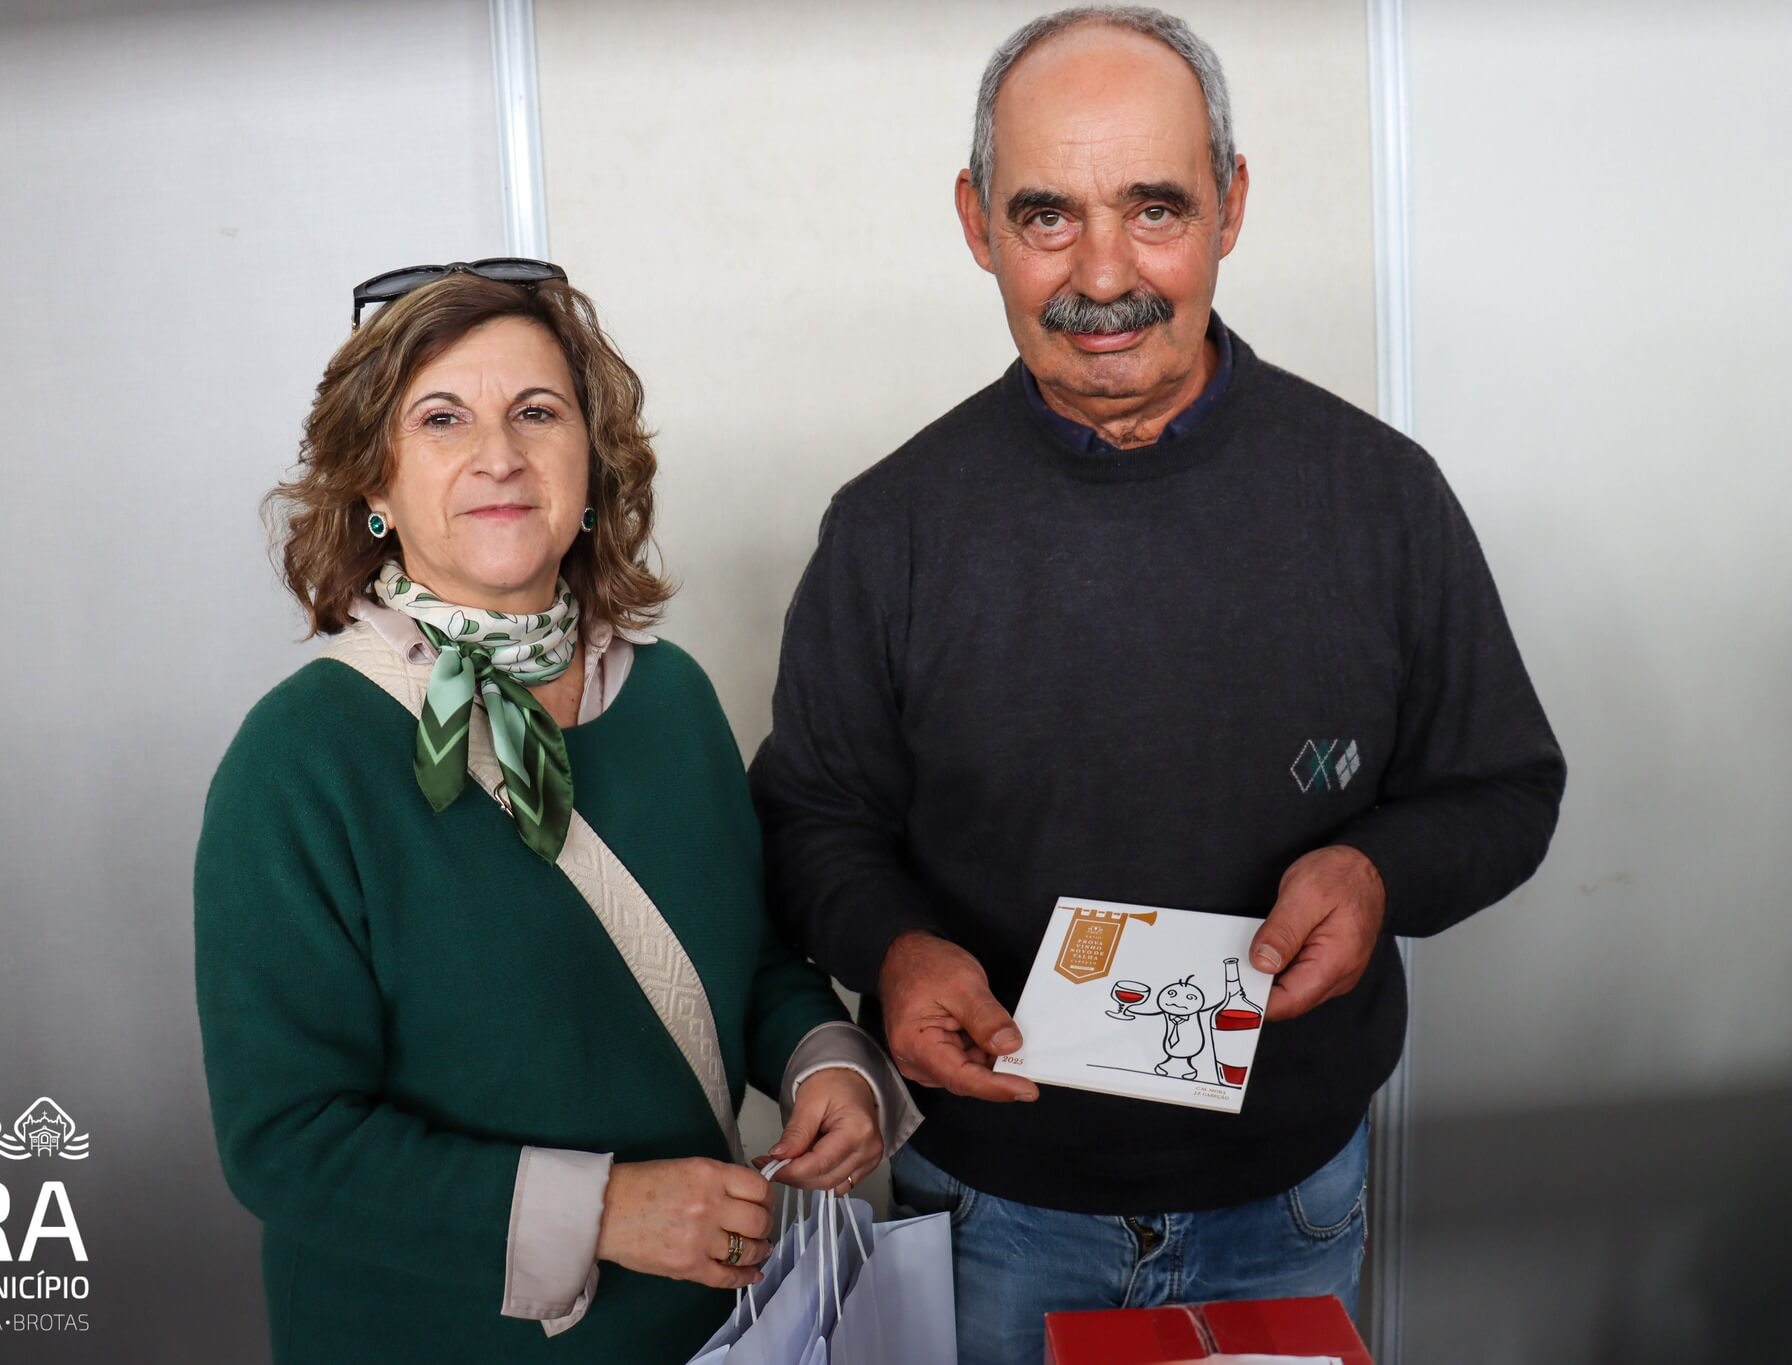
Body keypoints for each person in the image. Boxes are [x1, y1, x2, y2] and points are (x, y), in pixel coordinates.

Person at [748, 8, 1566, 1362]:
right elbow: (807, 820)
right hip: (988, 1201)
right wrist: (890, 947)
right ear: (975, 222)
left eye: (1154, 207)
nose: (1103, 272)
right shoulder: (888, 530)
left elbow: (1505, 788)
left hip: (1289, 1197)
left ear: (1230, 204)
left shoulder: (1379, 498)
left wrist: (1379, 874)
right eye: (1046, 215)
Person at [194, 261, 913, 1364]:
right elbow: (287, 1142)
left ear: (592, 465)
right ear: (373, 481)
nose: (499, 454)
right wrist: (604, 1211)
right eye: (441, 418)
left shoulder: (670, 698)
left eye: (537, 411)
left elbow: (750, 954)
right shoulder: (299, 757)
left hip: (711, 1327)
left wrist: (827, 1060)